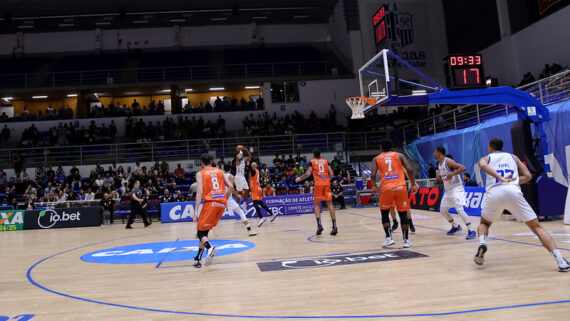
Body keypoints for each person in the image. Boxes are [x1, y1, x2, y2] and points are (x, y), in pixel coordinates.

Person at [474, 138, 569, 272]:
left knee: (484, 224)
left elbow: (483, 166)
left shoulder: (486, 158)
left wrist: (500, 178)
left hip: (494, 192)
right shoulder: (513, 157)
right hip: (513, 191)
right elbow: (528, 176)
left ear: (490, 147)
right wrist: (515, 180)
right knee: (537, 227)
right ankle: (561, 261)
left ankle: (483, 242)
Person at [370, 139, 418, 248]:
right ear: (391, 147)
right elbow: (410, 169)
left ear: (381, 147)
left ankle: (389, 238)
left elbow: (373, 174)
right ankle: (406, 241)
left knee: (384, 213)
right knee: (403, 213)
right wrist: (413, 183)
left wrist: (373, 186)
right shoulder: (400, 155)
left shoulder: (376, 159)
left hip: (387, 189)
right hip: (401, 187)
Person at [192, 154, 234, 268]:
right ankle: (198, 259)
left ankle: (209, 248)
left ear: (201, 162)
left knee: (200, 232)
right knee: (204, 232)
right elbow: (230, 185)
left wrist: (195, 210)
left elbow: (200, 192)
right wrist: (224, 198)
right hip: (221, 204)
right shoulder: (220, 171)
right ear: (211, 161)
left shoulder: (200, 173)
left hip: (211, 203)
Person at [434, 146, 476, 239]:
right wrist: (439, 178)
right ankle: (455, 226)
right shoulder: (439, 164)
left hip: (457, 189)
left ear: (440, 153)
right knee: (443, 211)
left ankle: (471, 230)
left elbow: (463, 168)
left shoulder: (448, 161)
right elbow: (441, 175)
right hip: (448, 191)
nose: (434, 154)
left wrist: (452, 174)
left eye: (435, 152)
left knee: (459, 209)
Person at [295, 149, 337, 236]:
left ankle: (319, 225)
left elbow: (308, 173)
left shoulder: (312, 162)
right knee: (330, 205)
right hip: (326, 184)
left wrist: (299, 178)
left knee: (317, 205)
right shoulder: (326, 161)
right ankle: (334, 226)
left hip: (318, 184)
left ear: (314, 155)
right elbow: (332, 174)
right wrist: (326, 180)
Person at [223, 164, 257, 236]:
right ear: (230, 169)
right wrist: (236, 194)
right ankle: (249, 230)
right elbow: (230, 188)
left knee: (214, 216)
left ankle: (200, 231)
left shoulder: (220, 175)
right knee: (241, 212)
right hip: (227, 198)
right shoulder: (231, 176)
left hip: (219, 197)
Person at [250, 162, 277, 227]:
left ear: (253, 166)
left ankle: (261, 218)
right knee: (261, 204)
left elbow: (248, 168)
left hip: (255, 189)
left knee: (255, 204)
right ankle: (271, 214)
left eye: (252, 165)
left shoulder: (253, 171)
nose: (252, 166)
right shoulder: (257, 170)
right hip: (259, 188)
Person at [234, 146, 252, 212]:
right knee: (240, 192)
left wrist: (246, 150)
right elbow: (238, 156)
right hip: (238, 177)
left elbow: (250, 157)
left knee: (247, 190)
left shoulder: (243, 161)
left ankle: (244, 204)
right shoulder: (237, 161)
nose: (241, 156)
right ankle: (236, 205)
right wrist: (240, 150)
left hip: (242, 177)